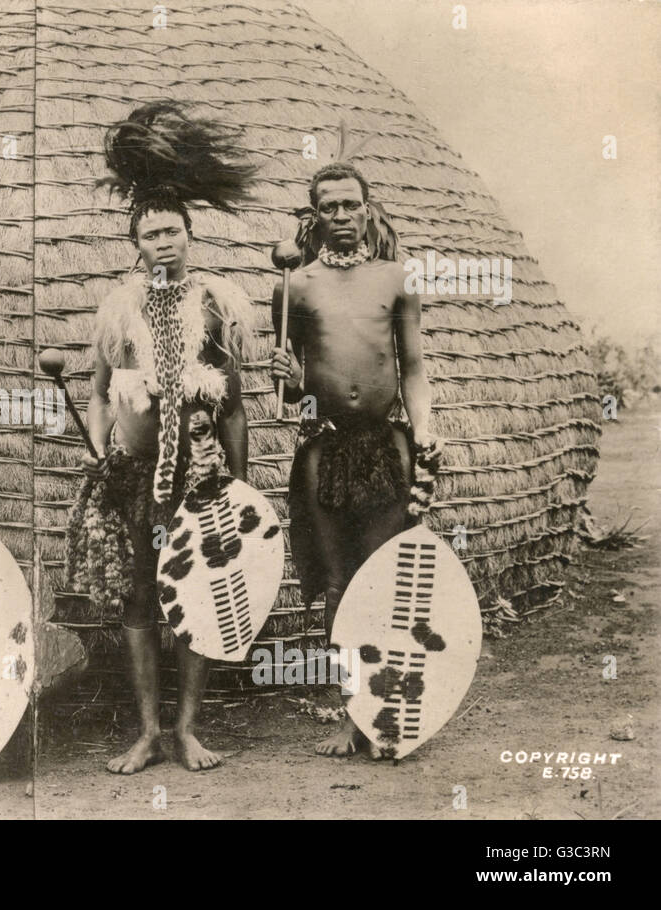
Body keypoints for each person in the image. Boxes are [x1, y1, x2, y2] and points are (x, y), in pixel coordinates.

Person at [65, 102, 256, 773]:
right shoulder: (120, 307)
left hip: (200, 477)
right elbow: (95, 392)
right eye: (151, 235)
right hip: (135, 475)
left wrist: (236, 478)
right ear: (137, 244)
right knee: (142, 599)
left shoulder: (216, 304)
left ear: (189, 235)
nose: (164, 243)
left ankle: (188, 729)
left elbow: (233, 402)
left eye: (173, 231)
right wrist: (100, 455)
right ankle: (146, 731)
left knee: (196, 595)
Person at [269, 161, 445, 758]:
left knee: (387, 580)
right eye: (328, 206)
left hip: (384, 445)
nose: (341, 216)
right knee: (340, 581)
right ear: (312, 215)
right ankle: (354, 716)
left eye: (350, 205)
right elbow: (291, 393)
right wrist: (291, 382)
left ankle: (391, 710)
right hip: (323, 446)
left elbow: (413, 370)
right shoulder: (294, 288)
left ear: (368, 209)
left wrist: (424, 429)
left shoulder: (397, 279)